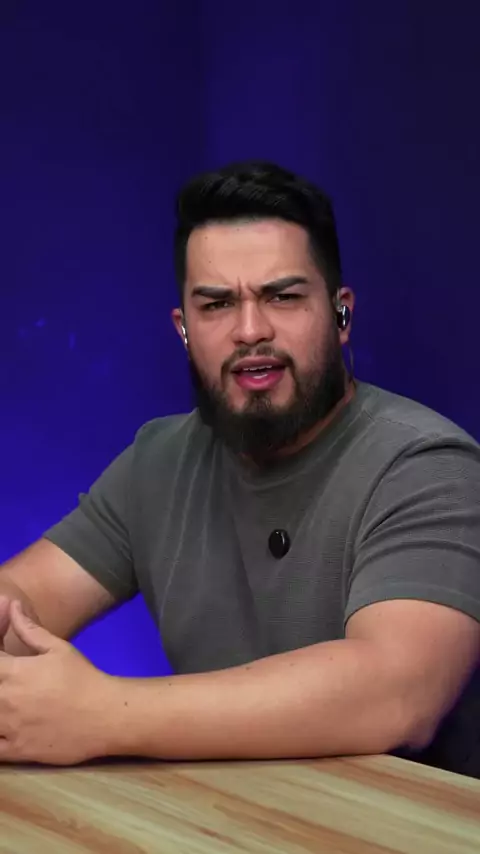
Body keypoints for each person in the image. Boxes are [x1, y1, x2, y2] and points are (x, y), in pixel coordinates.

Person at [1, 161, 479, 777]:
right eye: (217, 304)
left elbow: (397, 693)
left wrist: (102, 714)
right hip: (222, 819)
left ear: (341, 315)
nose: (250, 330)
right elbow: (25, 600)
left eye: (283, 297)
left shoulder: (428, 465)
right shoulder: (158, 461)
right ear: (183, 329)